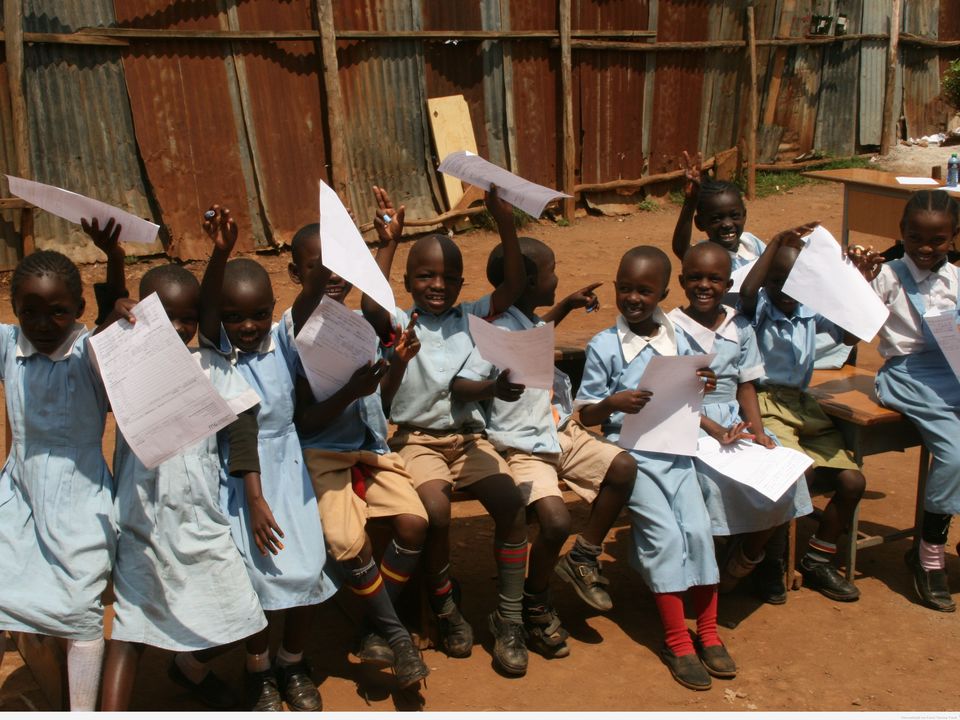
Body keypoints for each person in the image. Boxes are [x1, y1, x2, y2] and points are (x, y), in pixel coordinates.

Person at [100, 209, 268, 711]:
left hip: (200, 518)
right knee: (129, 630)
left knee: (241, 613)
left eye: (187, 319)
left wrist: (254, 496)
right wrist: (113, 275)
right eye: (163, 317)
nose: (177, 328)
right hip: (141, 520)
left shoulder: (212, 367)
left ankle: (188, 668)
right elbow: (103, 331)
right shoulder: (124, 365)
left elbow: (242, 426)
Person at [361, 186, 531, 677]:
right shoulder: (398, 322)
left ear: (461, 284)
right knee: (435, 509)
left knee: (511, 505)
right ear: (411, 280)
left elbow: (515, 285)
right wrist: (388, 241)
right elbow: (371, 304)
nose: (437, 284)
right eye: (425, 275)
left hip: (469, 441)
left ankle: (510, 617)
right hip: (416, 440)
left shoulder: (473, 317)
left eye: (448, 278)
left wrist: (504, 220)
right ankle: (444, 603)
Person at [454, 238, 637, 659]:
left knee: (623, 468)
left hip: (560, 431)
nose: (559, 277)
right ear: (530, 281)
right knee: (554, 522)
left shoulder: (526, 321)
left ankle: (583, 557)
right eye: (553, 271)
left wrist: (566, 306)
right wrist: (493, 387)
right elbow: (469, 379)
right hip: (522, 448)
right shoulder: (494, 334)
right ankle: (531, 604)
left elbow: (533, 334)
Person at [198, 208, 338, 710]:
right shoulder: (219, 355)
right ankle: (258, 670)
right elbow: (209, 308)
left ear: (273, 307)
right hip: (240, 479)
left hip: (288, 468)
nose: (247, 325)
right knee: (253, 577)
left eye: (258, 312)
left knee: (307, 566)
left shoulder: (282, 339)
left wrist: (343, 252)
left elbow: (312, 296)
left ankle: (292, 660)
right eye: (234, 317)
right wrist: (220, 252)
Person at [575, 246, 731, 692]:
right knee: (663, 536)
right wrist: (612, 403)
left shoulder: (679, 340)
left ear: (665, 292)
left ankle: (710, 631)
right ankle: (678, 641)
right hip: (632, 454)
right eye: (625, 288)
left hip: (677, 450)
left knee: (698, 532)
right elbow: (584, 413)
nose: (633, 298)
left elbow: (689, 395)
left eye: (645, 291)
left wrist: (706, 384)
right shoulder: (605, 345)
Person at [287, 216, 430, 689]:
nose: (332, 276)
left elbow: (380, 405)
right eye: (318, 267)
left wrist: (396, 368)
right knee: (348, 542)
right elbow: (304, 422)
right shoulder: (291, 335)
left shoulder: (358, 326)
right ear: (295, 275)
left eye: (340, 266)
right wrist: (348, 394)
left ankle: (373, 624)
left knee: (414, 521)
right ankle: (397, 637)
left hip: (367, 446)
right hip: (321, 452)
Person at [0, 235, 121, 710]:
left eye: (58, 312)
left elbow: (119, 335)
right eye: (28, 311)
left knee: (80, 607)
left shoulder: (89, 352)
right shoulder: (11, 345)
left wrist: (114, 261)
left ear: (79, 308)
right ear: (12, 310)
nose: (43, 324)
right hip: (20, 491)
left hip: (80, 495)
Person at [667, 242, 812, 604]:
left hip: (734, 422)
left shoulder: (740, 327)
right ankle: (706, 571)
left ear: (728, 283)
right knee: (711, 486)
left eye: (715, 279)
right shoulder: (670, 328)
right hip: (688, 423)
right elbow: (671, 394)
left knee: (782, 477)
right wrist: (713, 429)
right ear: (682, 280)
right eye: (696, 278)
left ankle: (747, 559)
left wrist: (759, 432)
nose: (705, 286)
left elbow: (746, 384)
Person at [739, 224, 866, 603]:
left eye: (793, 282)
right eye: (776, 281)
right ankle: (771, 561)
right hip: (766, 402)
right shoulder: (759, 308)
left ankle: (817, 557)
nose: (785, 290)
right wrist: (776, 242)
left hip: (804, 403)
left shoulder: (812, 309)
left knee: (852, 482)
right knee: (796, 475)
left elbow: (850, 334)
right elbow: (747, 292)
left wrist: (858, 282)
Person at [849, 189, 960, 613]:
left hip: (952, 369)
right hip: (907, 373)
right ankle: (928, 556)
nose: (927, 249)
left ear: (953, 237)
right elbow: (853, 322)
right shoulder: (889, 275)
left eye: (938, 241)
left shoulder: (955, 279)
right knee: (953, 453)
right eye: (917, 239)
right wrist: (858, 279)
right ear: (903, 234)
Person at [671, 151, 765, 270]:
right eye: (716, 219)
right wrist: (691, 201)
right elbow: (681, 249)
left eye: (735, 216)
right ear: (700, 223)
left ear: (744, 216)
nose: (727, 224)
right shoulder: (705, 255)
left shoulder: (751, 243)